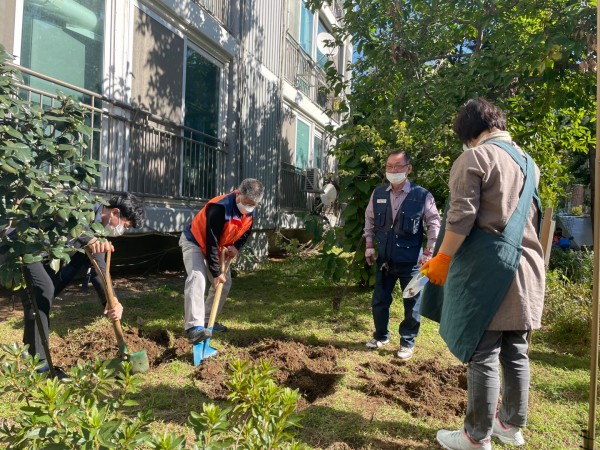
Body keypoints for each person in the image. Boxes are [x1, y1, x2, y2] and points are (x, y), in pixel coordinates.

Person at [420, 98, 545, 449]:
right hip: (527, 268)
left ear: (472, 133)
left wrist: (443, 257)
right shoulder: (528, 163)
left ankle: (475, 437)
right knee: (516, 350)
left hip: (491, 273)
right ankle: (509, 425)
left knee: (483, 351)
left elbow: (461, 217)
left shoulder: (475, 157)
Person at [21, 193, 146, 377]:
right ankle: (41, 368)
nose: (122, 231)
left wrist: (111, 301)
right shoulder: (83, 204)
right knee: (42, 291)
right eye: (124, 225)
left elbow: (99, 268)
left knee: (40, 301)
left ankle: (37, 362)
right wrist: (88, 239)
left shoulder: (99, 231)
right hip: (29, 247)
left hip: (50, 259)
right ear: (115, 213)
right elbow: (64, 219)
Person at [363, 151, 440, 360]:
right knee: (379, 300)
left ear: (409, 168)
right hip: (385, 261)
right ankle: (380, 336)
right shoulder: (378, 194)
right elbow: (369, 221)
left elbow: (434, 223)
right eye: (389, 166)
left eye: (398, 166)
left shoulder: (422, 195)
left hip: (413, 263)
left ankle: (407, 342)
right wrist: (369, 245)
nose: (393, 171)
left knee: (412, 304)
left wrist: (429, 252)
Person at [179, 178, 263, 343]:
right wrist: (216, 271)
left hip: (218, 246)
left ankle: (207, 320)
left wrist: (236, 247)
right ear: (238, 194)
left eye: (253, 205)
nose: (249, 207)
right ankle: (194, 327)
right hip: (195, 241)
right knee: (198, 278)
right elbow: (211, 241)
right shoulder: (220, 207)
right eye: (246, 203)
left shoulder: (249, 210)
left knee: (224, 285)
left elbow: (246, 231)